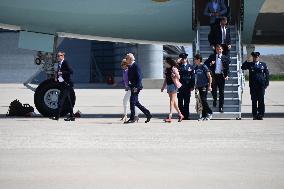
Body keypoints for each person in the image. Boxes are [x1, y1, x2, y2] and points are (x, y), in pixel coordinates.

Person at [124, 53, 152, 124]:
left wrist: (136, 87)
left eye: (126, 58)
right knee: (136, 102)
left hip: (136, 87)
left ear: (130, 59)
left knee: (132, 102)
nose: (125, 60)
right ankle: (148, 114)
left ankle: (132, 118)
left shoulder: (136, 66)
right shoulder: (130, 66)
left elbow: (139, 77)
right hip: (132, 86)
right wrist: (129, 85)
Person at [241, 52, 269, 120]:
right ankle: (254, 115)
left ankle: (261, 114)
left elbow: (267, 74)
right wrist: (247, 60)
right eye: (254, 57)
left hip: (261, 86)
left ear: (258, 57)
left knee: (261, 100)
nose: (255, 58)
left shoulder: (263, 64)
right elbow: (242, 67)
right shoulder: (250, 64)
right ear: (252, 57)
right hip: (253, 86)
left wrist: (266, 83)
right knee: (254, 100)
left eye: (256, 57)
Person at [204, 44, 230, 112]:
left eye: (220, 49)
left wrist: (227, 75)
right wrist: (210, 64)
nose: (219, 50)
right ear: (216, 50)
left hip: (221, 76)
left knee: (221, 92)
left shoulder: (225, 57)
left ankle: (221, 107)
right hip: (214, 76)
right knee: (214, 90)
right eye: (218, 49)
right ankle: (215, 99)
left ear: (222, 50)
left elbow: (227, 68)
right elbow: (205, 64)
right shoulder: (212, 56)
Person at [161, 57, 184, 123]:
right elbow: (166, 79)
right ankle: (180, 114)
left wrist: (174, 75)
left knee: (171, 101)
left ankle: (170, 116)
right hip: (168, 86)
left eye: (165, 62)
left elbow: (179, 77)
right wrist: (163, 87)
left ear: (169, 63)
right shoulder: (166, 69)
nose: (164, 63)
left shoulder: (174, 69)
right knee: (173, 102)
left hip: (174, 86)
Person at [54, 51, 75, 121]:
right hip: (62, 84)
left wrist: (62, 72)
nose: (58, 57)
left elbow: (71, 71)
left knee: (60, 99)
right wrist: (56, 77)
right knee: (68, 101)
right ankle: (72, 116)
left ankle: (57, 116)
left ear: (63, 56)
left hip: (67, 84)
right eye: (57, 56)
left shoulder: (65, 62)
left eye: (59, 55)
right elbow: (58, 72)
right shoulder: (59, 63)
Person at [194, 54, 213, 121]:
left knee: (203, 100)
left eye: (195, 59)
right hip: (198, 86)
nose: (194, 61)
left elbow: (209, 77)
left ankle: (210, 112)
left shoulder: (204, 66)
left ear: (198, 60)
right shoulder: (196, 67)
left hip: (204, 85)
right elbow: (196, 77)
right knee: (201, 101)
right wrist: (195, 85)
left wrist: (210, 85)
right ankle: (203, 116)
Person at [177, 53, 195, 120]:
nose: (183, 60)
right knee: (180, 102)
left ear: (186, 59)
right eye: (182, 59)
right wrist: (177, 62)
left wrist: (192, 86)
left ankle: (186, 116)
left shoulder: (190, 66)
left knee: (187, 102)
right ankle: (181, 115)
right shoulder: (178, 66)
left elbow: (193, 77)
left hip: (187, 87)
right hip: (180, 87)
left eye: (184, 58)